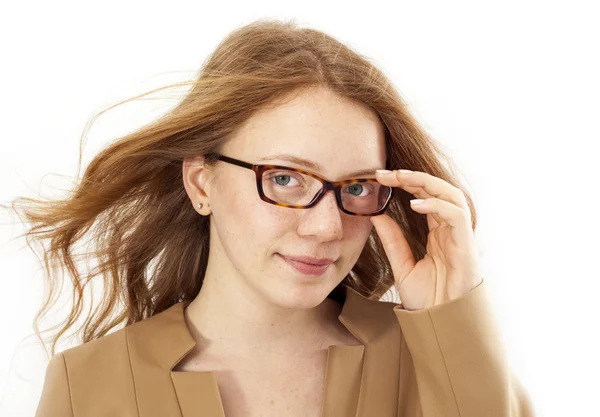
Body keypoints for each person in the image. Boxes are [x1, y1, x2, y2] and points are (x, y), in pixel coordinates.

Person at [9, 18, 535, 417]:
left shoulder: (434, 359)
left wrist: (455, 326)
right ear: (201, 183)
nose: (327, 227)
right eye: (285, 178)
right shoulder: (89, 385)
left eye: (355, 186)